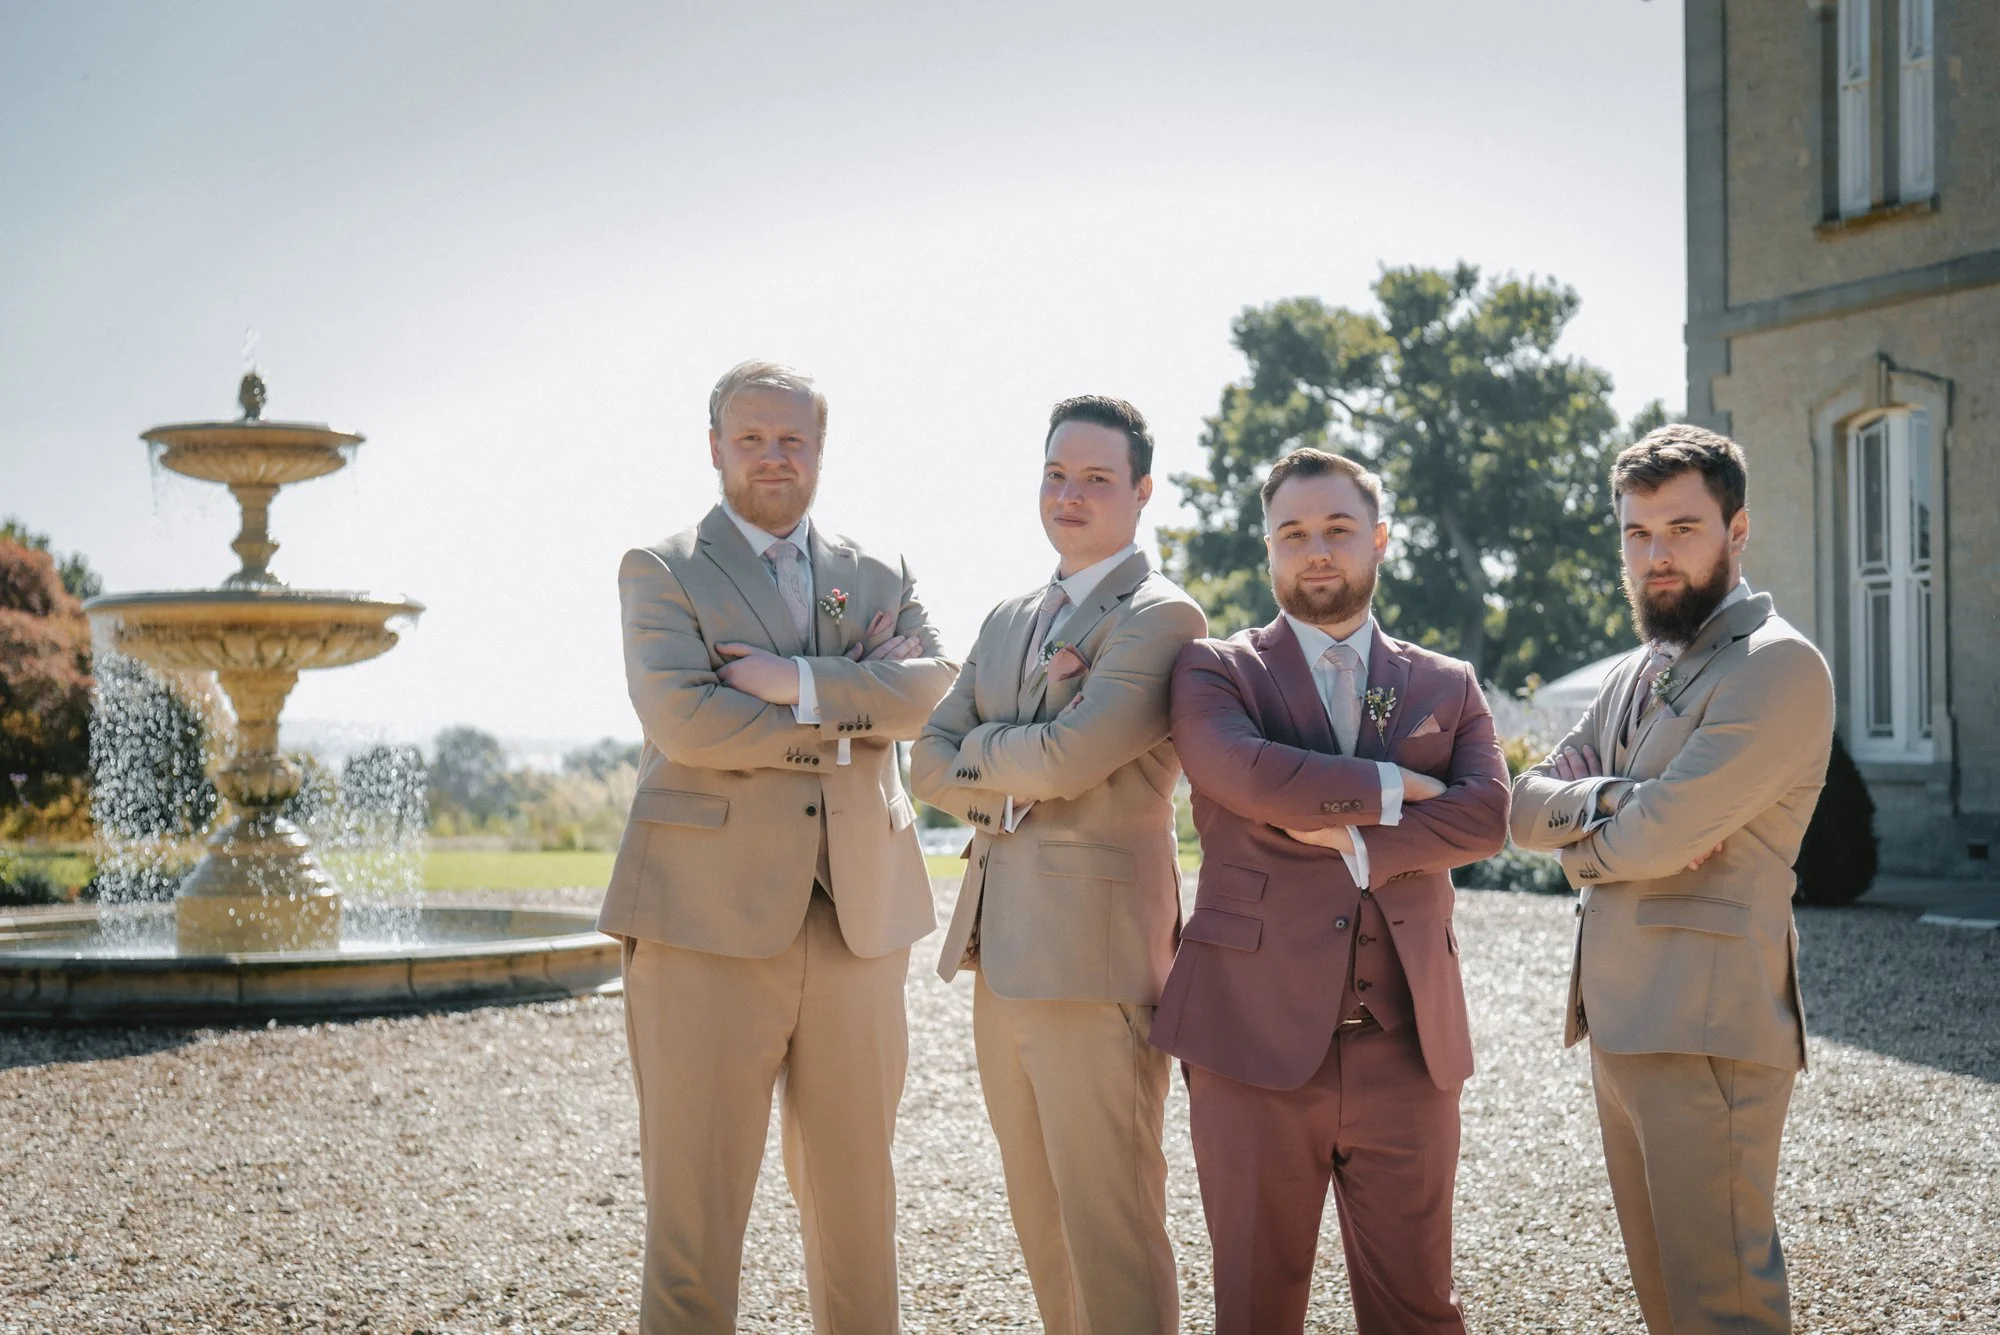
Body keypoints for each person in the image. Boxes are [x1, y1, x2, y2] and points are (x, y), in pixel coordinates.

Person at [599, 360, 957, 1334]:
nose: (772, 456)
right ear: (714, 446)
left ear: (819, 448)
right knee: (694, 1214)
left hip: (859, 922)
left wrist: (790, 683)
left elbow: (932, 694)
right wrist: (848, 713)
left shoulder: (879, 571)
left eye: (791, 439)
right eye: (751, 438)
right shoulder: (660, 568)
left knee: (857, 1205)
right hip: (700, 925)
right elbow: (688, 725)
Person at [1153, 447, 1509, 1335]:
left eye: (1339, 529)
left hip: (1408, 1047)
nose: (1317, 549)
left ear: (1379, 539)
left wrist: (1358, 844)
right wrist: (1396, 790)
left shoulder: (1444, 683)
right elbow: (1246, 775)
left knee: (1420, 1310)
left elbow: (1490, 818)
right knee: (1254, 1306)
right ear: (1268, 549)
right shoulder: (1214, 670)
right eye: (1294, 533)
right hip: (1248, 1040)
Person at [1510, 423, 1833, 1335]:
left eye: (1681, 529)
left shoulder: (1778, 666)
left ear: (1736, 533)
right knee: (1669, 1308)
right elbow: (1523, 804)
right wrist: (1618, 801)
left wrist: (1599, 833)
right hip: (1620, 1026)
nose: (1655, 555)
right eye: (1637, 533)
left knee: (1725, 1307)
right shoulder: (1635, 670)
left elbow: (1653, 838)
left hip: (1708, 1035)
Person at [911, 394, 1205, 1335]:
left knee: (1112, 1229)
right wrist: (1013, 767)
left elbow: (1075, 758)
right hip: (999, 960)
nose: (1069, 494)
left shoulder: (1162, 617)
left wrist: (988, 751)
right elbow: (922, 758)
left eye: (1095, 478)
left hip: (1097, 963)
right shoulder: (1008, 616)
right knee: (1042, 1228)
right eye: (1055, 473)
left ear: (1142, 491)